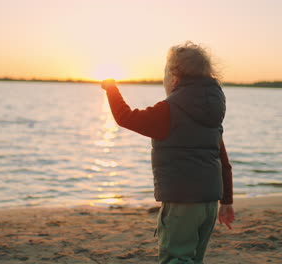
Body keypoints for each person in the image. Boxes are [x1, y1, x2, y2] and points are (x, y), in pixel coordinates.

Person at [100, 41, 234, 264]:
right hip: (209, 202)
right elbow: (223, 160)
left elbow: (125, 117)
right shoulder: (214, 110)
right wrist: (226, 201)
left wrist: (111, 88)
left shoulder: (169, 109)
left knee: (176, 257)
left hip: (182, 201)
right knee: (193, 258)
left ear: (173, 77)